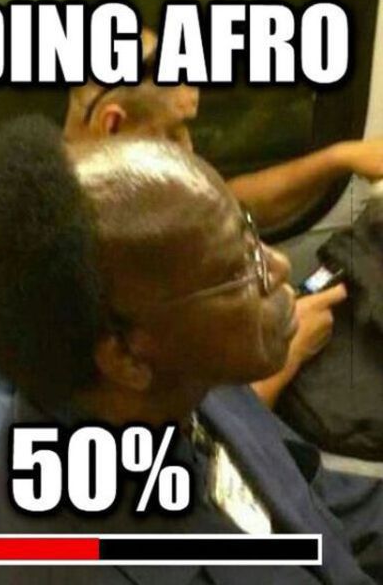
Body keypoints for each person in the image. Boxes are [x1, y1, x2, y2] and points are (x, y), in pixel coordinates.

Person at [0, 116, 383, 584]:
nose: (276, 266)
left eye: (249, 234)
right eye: (237, 271)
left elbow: (317, 505)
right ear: (126, 357)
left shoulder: (184, 383)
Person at [63, 28, 383, 408]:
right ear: (113, 124)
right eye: (175, 132)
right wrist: (288, 356)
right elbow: (180, 417)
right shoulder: (98, 255)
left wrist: (339, 158)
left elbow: (227, 201)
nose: (188, 147)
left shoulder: (113, 189)